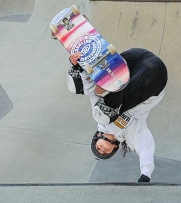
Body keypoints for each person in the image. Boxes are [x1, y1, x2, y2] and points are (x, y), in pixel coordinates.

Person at [67, 47, 168, 182]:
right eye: (105, 152)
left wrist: (78, 67)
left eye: (99, 148)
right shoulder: (132, 136)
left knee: (82, 92)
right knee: (103, 115)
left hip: (138, 57)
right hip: (152, 80)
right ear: (115, 148)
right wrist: (145, 174)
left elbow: (91, 92)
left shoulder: (98, 114)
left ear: (97, 137)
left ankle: (102, 70)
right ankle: (111, 86)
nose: (102, 149)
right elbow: (146, 149)